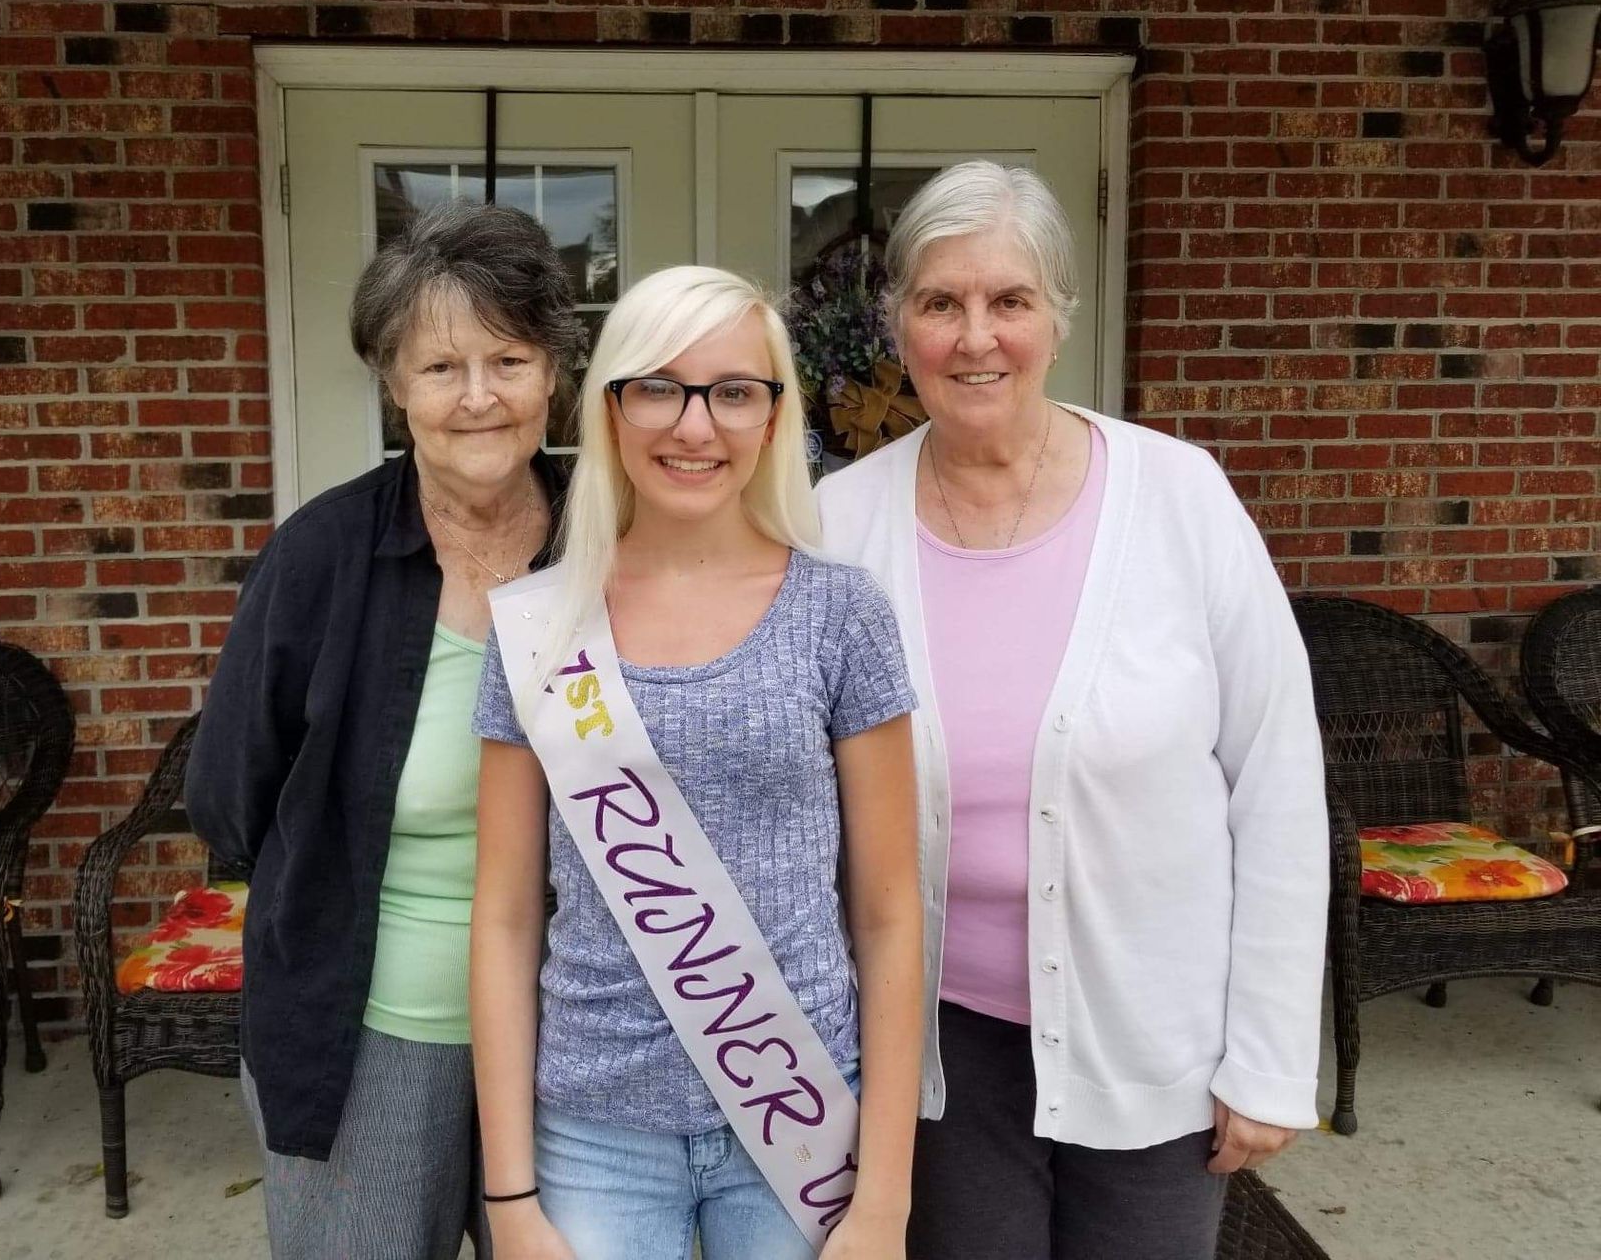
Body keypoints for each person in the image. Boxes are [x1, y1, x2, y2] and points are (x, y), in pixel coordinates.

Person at [815, 161, 1328, 1260]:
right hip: (936, 1050)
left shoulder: (1181, 496)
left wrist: (1271, 1056)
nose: (976, 337)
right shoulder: (839, 526)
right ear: (899, 323)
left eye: (1010, 299)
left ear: (1059, 315)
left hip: (1153, 1037)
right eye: (940, 303)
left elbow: (1279, 783)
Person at [469, 266, 924, 1260]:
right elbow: (503, 921)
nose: (695, 426)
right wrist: (509, 1202)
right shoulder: (541, 626)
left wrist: (884, 1201)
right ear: (610, 408)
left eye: (733, 392)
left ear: (774, 416)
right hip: (596, 1134)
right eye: (659, 389)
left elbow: (890, 917)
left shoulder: (842, 616)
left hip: (800, 1119)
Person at [185, 202, 583, 1259]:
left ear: (553, 372)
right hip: (372, 1033)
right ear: (394, 385)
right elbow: (229, 798)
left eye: (508, 360)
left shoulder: (616, 544)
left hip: (586, 1036)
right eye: (442, 367)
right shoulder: (319, 558)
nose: (479, 396)